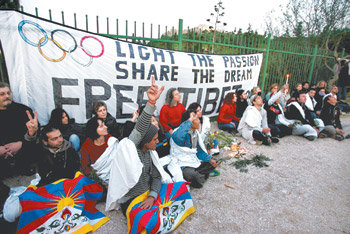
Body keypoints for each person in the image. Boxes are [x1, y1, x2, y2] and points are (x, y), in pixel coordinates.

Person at [117, 77, 165, 215]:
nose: (157, 142)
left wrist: (152, 196)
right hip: (131, 199)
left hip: (148, 194)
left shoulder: (150, 153)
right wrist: (151, 103)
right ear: (145, 140)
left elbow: (156, 177)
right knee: (147, 222)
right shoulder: (131, 149)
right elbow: (140, 128)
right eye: (155, 139)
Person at [168, 110, 218, 188]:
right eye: (196, 119)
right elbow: (177, 138)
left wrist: (210, 159)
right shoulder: (179, 132)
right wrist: (190, 120)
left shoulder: (195, 133)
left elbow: (198, 151)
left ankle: (199, 175)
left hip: (192, 160)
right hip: (182, 162)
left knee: (214, 161)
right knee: (192, 174)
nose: (199, 121)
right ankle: (199, 175)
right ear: (188, 122)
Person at [0, 82, 38, 178]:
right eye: (2, 94)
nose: (7, 96)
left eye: (8, 93)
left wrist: (20, 143)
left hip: (22, 150)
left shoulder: (23, 110)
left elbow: (36, 132)